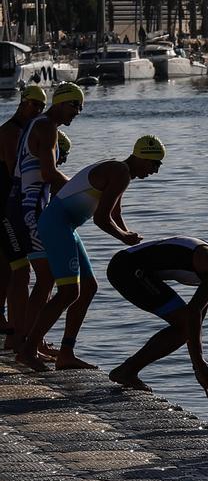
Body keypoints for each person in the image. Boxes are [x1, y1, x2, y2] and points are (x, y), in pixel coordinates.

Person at [19, 135, 164, 369]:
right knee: (68, 291)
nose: (155, 171)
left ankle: (66, 353)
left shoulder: (120, 171)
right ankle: (28, 350)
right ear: (142, 157)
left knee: (88, 287)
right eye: (154, 164)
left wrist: (130, 238)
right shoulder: (120, 173)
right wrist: (123, 237)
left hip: (65, 226)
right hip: (56, 224)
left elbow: (115, 214)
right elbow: (101, 218)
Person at [105, 238, 208, 395]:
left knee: (186, 327)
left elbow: (198, 319)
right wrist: (198, 363)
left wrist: (198, 366)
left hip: (128, 264)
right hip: (127, 269)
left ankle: (127, 370)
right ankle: (126, 371)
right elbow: (192, 315)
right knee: (184, 326)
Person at [9, 81, 83, 366]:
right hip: (28, 209)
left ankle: (30, 343)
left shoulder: (37, 124)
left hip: (24, 206)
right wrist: (81, 192)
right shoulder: (48, 127)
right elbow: (50, 173)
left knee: (45, 279)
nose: (77, 114)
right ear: (63, 103)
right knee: (47, 278)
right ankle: (27, 347)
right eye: (76, 107)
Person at [0, 84, 47, 337]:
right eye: (34, 105)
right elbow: (13, 172)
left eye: (41, 107)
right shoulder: (11, 132)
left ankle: (12, 325)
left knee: (8, 267)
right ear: (22, 102)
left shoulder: (23, 131)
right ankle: (20, 333)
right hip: (5, 207)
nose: (37, 111)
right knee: (20, 269)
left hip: (9, 206)